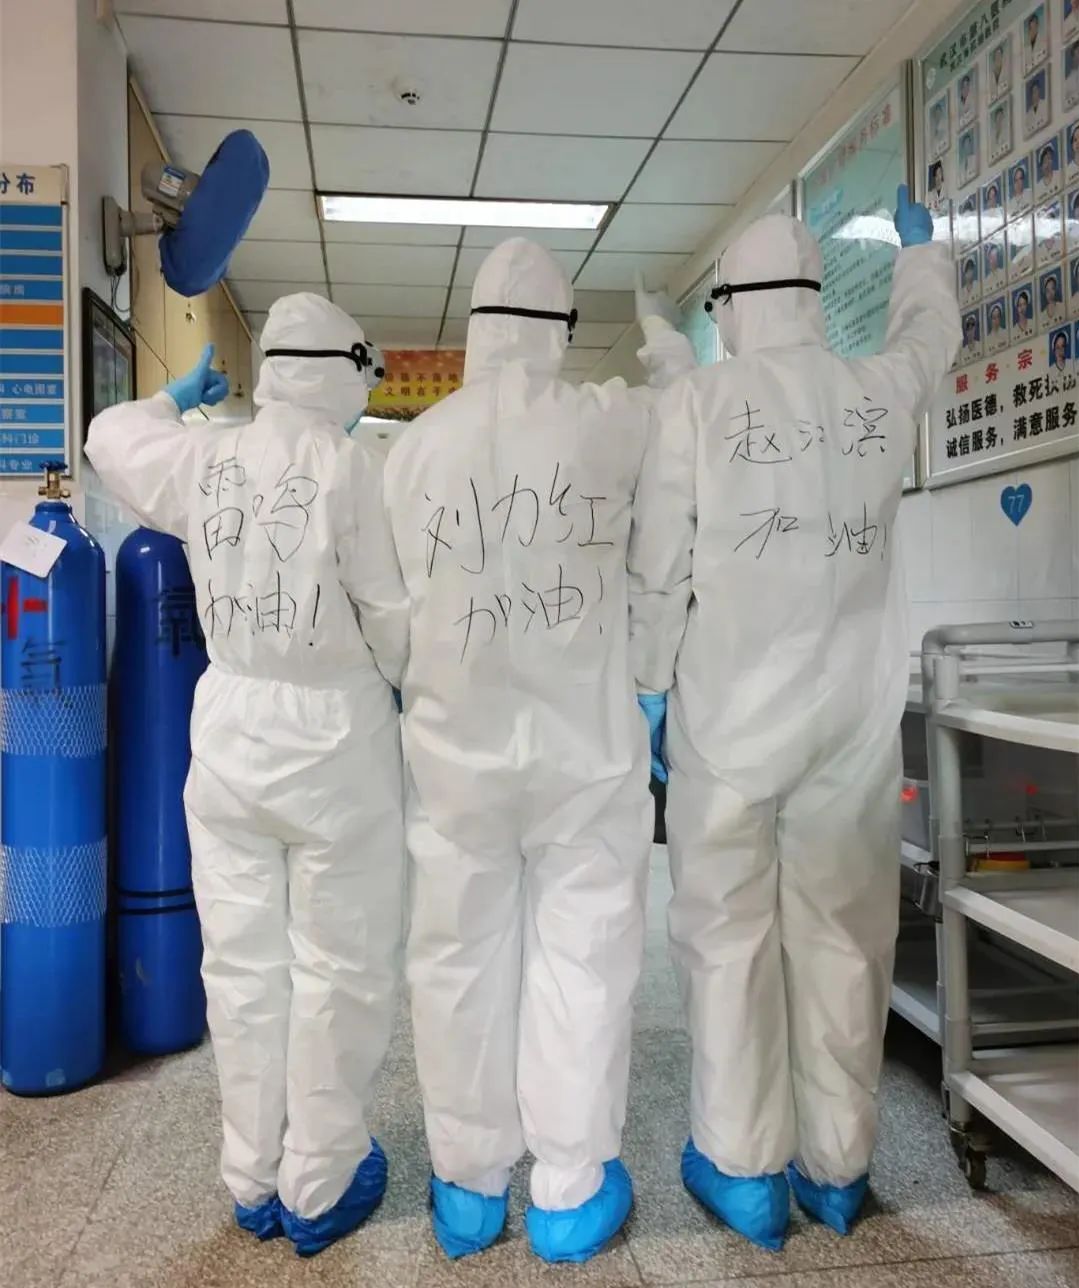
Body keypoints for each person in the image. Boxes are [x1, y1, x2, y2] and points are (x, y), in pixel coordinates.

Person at [626, 186, 960, 1251]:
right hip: (850, 725)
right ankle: (839, 1169)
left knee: (728, 937)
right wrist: (921, 256)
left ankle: (743, 1170)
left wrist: (646, 685)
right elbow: (931, 338)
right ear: (813, 295)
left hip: (730, 723)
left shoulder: (696, 405)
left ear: (733, 304)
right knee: (845, 937)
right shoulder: (875, 390)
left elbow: (658, 570)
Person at [378, 238, 695, 1265]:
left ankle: (468, 1185)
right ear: (561, 331)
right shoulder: (609, 422)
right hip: (583, 753)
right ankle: (569, 1188)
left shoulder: (414, 449)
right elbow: (662, 547)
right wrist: (651, 677)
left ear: (474, 331)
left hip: (454, 758)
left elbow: (392, 614)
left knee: (456, 960)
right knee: (584, 959)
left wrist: (421, 687)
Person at [85, 294, 408, 1258]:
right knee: (337, 966)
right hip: (335, 741)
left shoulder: (208, 456)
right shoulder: (350, 466)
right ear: (343, 370)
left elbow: (108, 437)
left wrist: (172, 399)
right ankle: (322, 1179)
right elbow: (393, 621)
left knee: (240, 967)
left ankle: (252, 1177)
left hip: (227, 733)